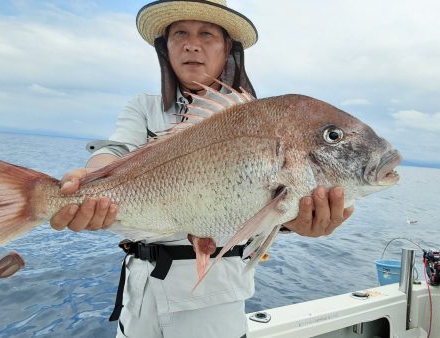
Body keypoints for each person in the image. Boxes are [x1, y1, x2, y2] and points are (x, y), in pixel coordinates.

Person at [50, 1, 354, 337]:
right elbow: (115, 151)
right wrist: (89, 180)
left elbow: (258, 205)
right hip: (138, 296)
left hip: (213, 303)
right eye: (180, 33)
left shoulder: (261, 121)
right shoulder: (143, 107)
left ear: (228, 48)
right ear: (165, 48)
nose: (192, 44)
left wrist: (294, 223)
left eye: (206, 34)